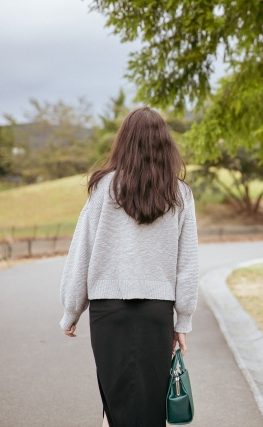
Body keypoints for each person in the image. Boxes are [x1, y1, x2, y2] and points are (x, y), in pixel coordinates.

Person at [59, 107, 199, 427]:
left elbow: (81, 253)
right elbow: (187, 263)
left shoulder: (103, 188)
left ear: (123, 142)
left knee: (115, 403)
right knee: (149, 407)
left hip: (108, 313)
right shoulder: (180, 194)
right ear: (165, 144)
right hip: (156, 313)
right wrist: (183, 320)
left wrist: (71, 310)